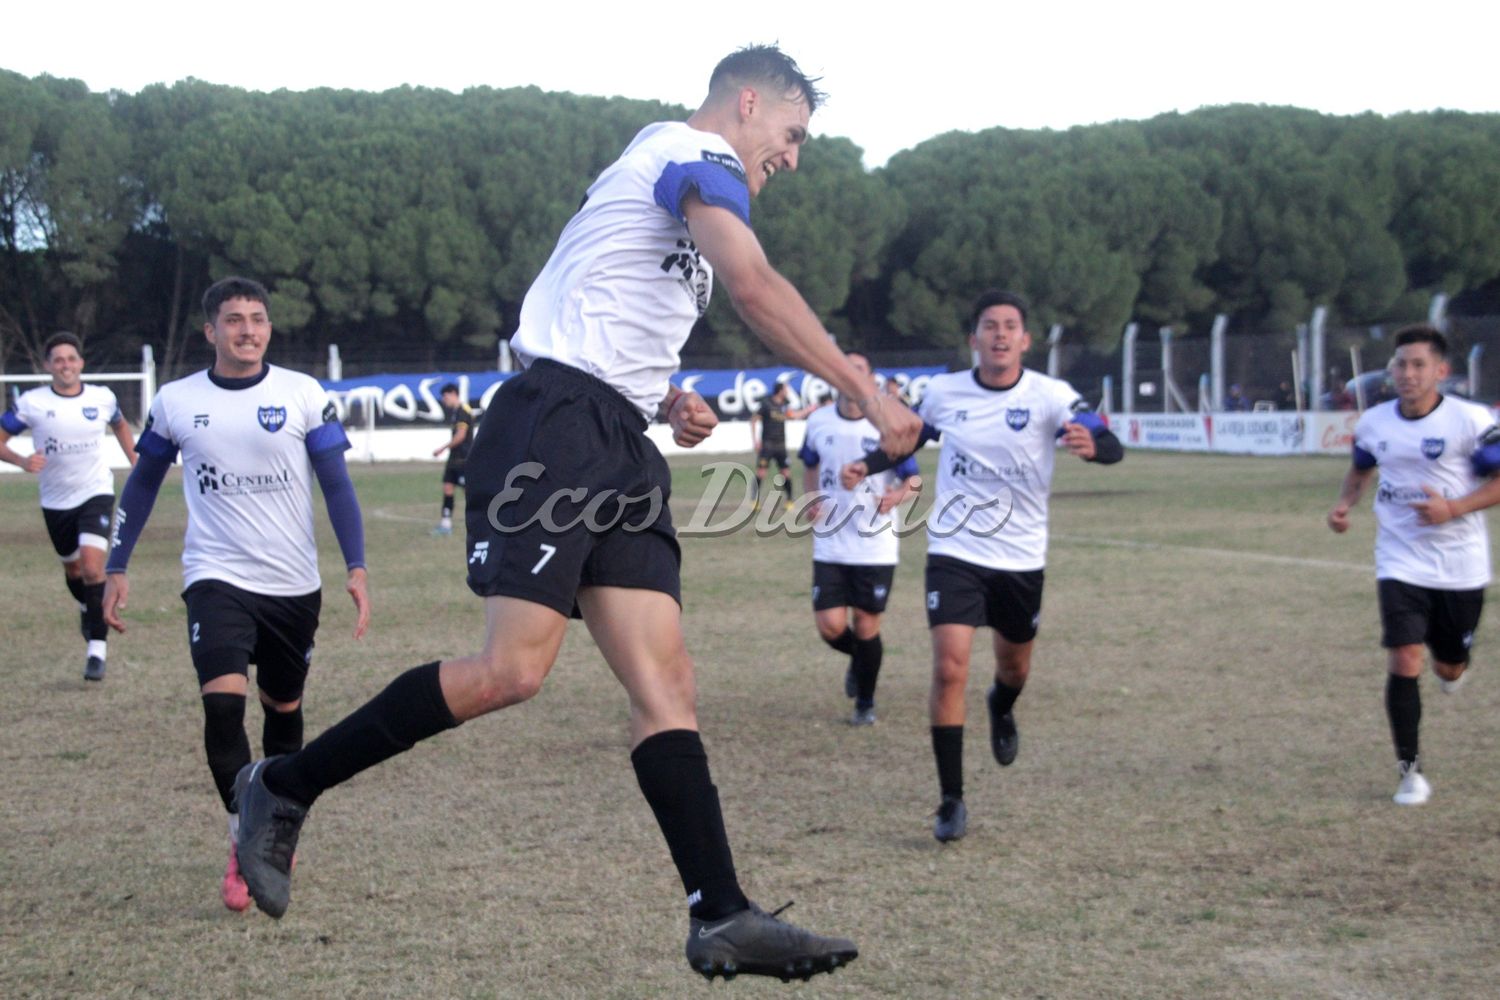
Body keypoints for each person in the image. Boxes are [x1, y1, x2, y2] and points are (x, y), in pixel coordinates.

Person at [227, 45, 921, 981]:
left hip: (616, 435)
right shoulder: (697, 156)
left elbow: (600, 300)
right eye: (792, 135)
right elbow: (754, 288)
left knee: (667, 687)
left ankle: (719, 913)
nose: (792, 157)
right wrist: (863, 389)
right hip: (557, 425)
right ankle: (283, 784)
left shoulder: (660, 175)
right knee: (511, 671)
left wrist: (665, 397)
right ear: (749, 104)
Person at [102, 277, 370, 911]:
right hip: (215, 576)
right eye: (233, 320)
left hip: (293, 585)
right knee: (223, 709)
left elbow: (336, 486)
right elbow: (140, 487)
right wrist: (117, 563)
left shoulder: (303, 394)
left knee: (283, 711)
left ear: (269, 329)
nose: (247, 329)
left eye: (257, 319)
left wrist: (355, 566)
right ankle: (243, 835)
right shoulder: (175, 401)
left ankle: (275, 827)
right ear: (210, 331)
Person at [842, 289, 1123, 842]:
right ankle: (951, 800)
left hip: (1021, 557)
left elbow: (1103, 434)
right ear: (974, 340)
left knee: (1014, 668)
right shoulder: (944, 392)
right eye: (989, 325)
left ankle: (1002, 704)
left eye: (1009, 325)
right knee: (949, 668)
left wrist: (1099, 445)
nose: (999, 333)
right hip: (956, 550)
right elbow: (911, 437)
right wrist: (868, 462)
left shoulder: (1051, 395)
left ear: (1024, 340)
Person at [1327, 324, 1500, 806]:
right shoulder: (1375, 422)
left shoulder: (1471, 420)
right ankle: (1410, 772)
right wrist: (1344, 504)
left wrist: (1453, 509)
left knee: (1448, 665)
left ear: (1441, 372)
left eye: (1419, 364)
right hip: (1399, 558)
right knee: (1404, 657)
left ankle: (1455, 666)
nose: (1407, 373)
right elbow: (1361, 466)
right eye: (1400, 363)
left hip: (1461, 564)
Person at [0, 332, 138, 680]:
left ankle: (97, 648)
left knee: (93, 569)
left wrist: (137, 462)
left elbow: (120, 426)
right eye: (58, 360)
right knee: (74, 572)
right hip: (55, 501)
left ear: (81, 363)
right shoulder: (32, 403)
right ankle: (86, 605)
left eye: (71, 359)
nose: (65, 365)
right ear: (48, 366)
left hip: (96, 491)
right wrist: (20, 460)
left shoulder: (101, 398)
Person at [799, 352, 921, 725]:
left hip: (874, 543)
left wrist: (896, 497)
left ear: (871, 380)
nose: (851, 377)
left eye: (860, 371)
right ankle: (861, 660)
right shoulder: (818, 421)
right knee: (830, 626)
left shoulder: (887, 425)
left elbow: (914, 481)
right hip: (831, 540)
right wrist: (811, 497)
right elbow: (810, 464)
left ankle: (865, 703)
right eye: (845, 370)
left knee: (867, 625)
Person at [750, 378, 814, 511]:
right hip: (767, 445)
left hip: (781, 446)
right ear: (780, 391)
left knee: (786, 473)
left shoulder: (784, 405)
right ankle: (754, 501)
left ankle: (789, 501)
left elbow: (794, 416)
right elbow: (753, 420)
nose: (787, 392)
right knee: (761, 473)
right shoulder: (766, 405)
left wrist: (808, 410)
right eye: (786, 389)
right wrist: (755, 440)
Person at [430, 382, 474, 535]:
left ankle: (480, 522)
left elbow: (461, 436)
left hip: (463, 459)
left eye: (445, 396)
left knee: (469, 492)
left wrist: (442, 448)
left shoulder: (463, 411)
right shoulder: (456, 412)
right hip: (454, 459)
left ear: (454, 394)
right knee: (448, 487)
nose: (444, 400)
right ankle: (446, 524)